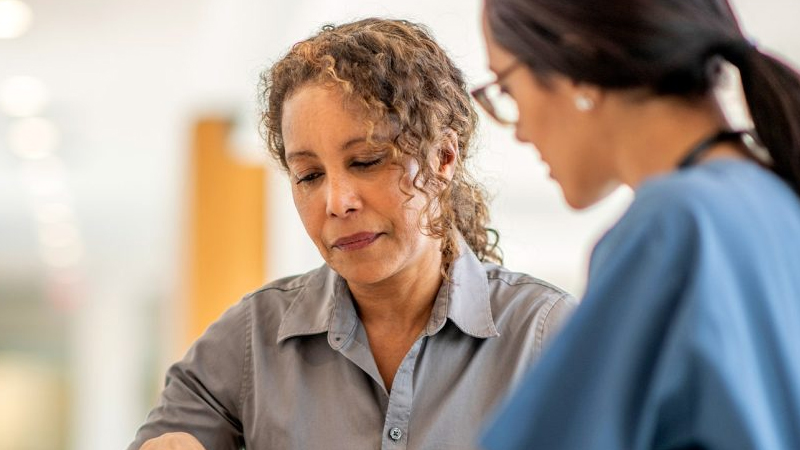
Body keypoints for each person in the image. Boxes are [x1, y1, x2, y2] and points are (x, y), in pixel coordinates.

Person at [128, 18, 576, 450]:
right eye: (308, 175)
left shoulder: (547, 335)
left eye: (365, 162)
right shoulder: (249, 341)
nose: (337, 202)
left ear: (442, 157)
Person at [473, 0, 800, 449]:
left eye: (506, 90)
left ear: (578, 59)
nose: (519, 130)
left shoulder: (674, 225)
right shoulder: (776, 201)